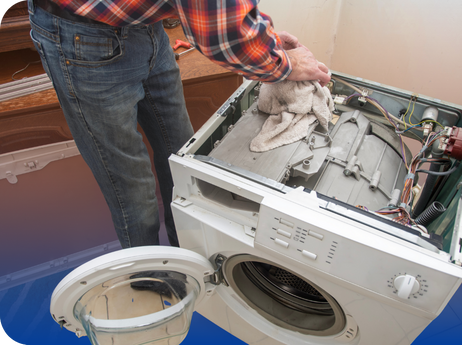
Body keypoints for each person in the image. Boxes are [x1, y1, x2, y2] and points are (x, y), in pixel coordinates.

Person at [27, 0, 331, 248]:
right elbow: (220, 31)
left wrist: (267, 41)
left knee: (182, 160)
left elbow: (227, 11)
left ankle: (185, 257)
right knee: (132, 187)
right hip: (83, 39)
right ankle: (152, 281)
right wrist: (284, 64)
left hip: (148, 29)